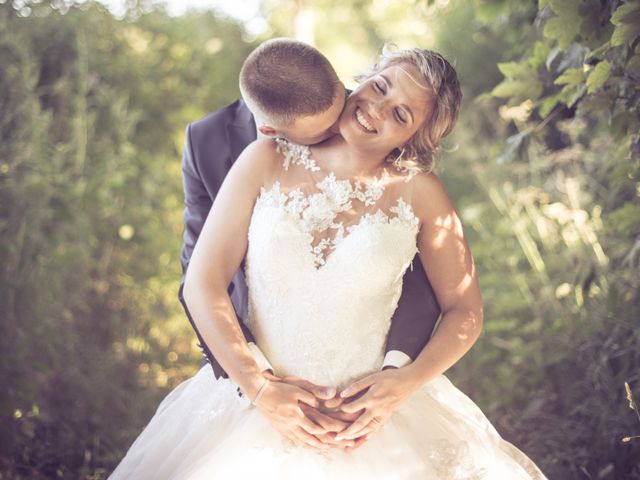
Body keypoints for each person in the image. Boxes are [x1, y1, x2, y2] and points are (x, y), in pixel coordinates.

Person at [110, 46, 547, 478]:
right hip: (260, 399)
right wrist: (259, 387)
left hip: (369, 419)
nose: (378, 109)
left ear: (416, 138)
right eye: (380, 87)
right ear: (362, 77)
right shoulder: (265, 158)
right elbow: (202, 283)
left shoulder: (422, 194)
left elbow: (464, 310)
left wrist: (405, 383)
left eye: (401, 115)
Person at [177, 38, 441, 449]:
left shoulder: (407, 171)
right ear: (272, 131)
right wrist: (257, 384)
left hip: (367, 391)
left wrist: (399, 375)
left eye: (343, 104)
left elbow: (430, 284)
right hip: (259, 373)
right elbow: (200, 277)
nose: (348, 125)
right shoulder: (232, 148)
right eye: (324, 133)